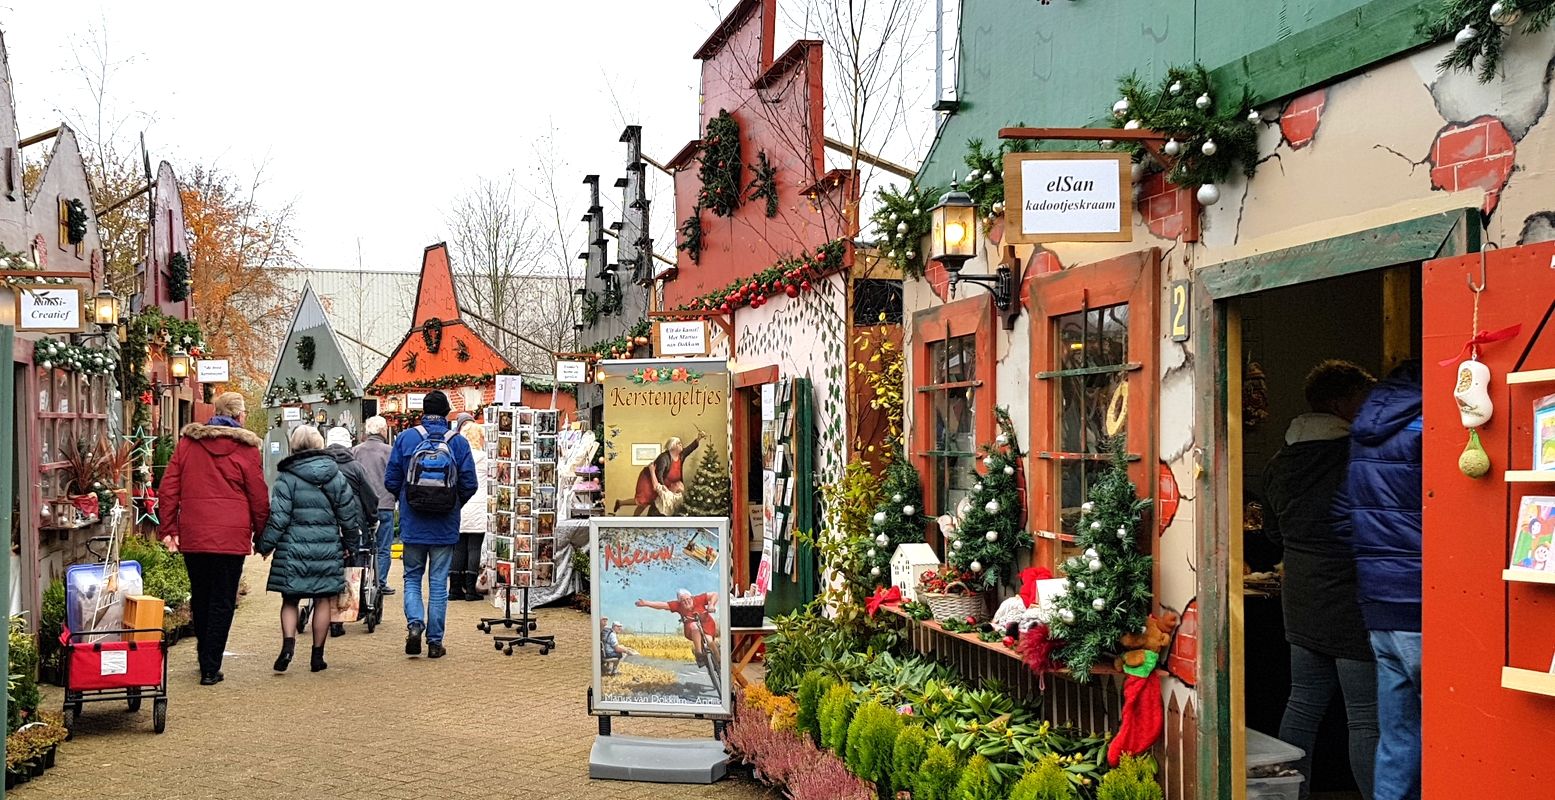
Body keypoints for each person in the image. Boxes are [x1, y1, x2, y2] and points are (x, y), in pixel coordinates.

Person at [1262, 361, 1379, 800]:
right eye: (1364, 399)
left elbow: (1274, 534)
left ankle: (1289, 795)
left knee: (1303, 704)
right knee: (1365, 717)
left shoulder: (1280, 462)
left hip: (1302, 597)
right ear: (1339, 403)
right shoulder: (1360, 459)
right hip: (1353, 599)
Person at [1333, 360, 1423, 800]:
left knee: (1397, 739)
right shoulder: (1427, 425)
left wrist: (1375, 555)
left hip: (1378, 604)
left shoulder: (1363, 432)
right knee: (1449, 736)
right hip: (1422, 601)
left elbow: (1340, 517)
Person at [157, 392, 270, 686]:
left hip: (195, 534)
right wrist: (262, 534)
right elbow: (258, 496)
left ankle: (204, 655)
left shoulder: (188, 445)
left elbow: (168, 489)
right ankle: (211, 665)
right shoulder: (247, 450)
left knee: (202, 595)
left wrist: (169, 528)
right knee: (222, 600)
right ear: (239, 416)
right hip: (231, 538)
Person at [257, 425, 364, 673]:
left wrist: (265, 545)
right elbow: (348, 515)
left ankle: (287, 646)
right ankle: (317, 656)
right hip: (326, 547)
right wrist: (351, 545)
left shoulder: (286, 476)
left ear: (294, 446)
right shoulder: (334, 475)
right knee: (323, 599)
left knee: (290, 599)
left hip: (293, 548)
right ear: (319, 444)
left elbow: (279, 518)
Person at [385, 390, 477, 659]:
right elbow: (470, 483)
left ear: (422, 412)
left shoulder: (405, 438)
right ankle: (435, 643)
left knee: (412, 577)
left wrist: (406, 500)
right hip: (445, 525)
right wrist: (452, 504)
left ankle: (414, 625)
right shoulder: (458, 443)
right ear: (447, 412)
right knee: (438, 583)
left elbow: (391, 480)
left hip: (414, 524)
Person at [324, 426, 379, 636]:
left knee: (329, 564)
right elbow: (370, 496)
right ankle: (342, 614)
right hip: (353, 523)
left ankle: (322, 609)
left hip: (326, 523)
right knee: (352, 564)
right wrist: (372, 518)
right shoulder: (356, 467)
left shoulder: (320, 466)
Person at [353, 416, 398, 597]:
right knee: (383, 547)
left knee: (362, 545)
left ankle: (361, 581)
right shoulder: (390, 451)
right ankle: (380, 583)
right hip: (385, 504)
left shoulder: (355, 451)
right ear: (382, 431)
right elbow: (396, 477)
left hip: (361, 507)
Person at [452, 414, 489, 602]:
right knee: (474, 547)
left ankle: (454, 589)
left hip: (461, 505)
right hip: (479, 504)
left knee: (458, 547)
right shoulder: (484, 458)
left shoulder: (459, 456)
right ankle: (471, 590)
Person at [635, 589, 720, 667]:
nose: (686, 602)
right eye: (683, 601)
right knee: (694, 626)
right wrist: (646, 603)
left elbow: (714, 594)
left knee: (710, 641)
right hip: (691, 629)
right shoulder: (677, 605)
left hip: (707, 625)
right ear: (680, 602)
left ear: (691, 597)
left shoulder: (698, 599)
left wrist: (711, 605)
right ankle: (698, 653)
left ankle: (720, 663)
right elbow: (662, 605)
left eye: (688, 599)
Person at [632, 429, 708, 516]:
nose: (681, 444)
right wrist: (663, 487)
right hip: (654, 479)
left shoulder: (681, 455)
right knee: (645, 501)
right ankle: (635, 519)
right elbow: (659, 474)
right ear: (673, 446)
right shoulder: (664, 458)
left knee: (664, 502)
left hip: (670, 485)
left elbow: (689, 449)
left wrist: (698, 438)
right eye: (678, 443)